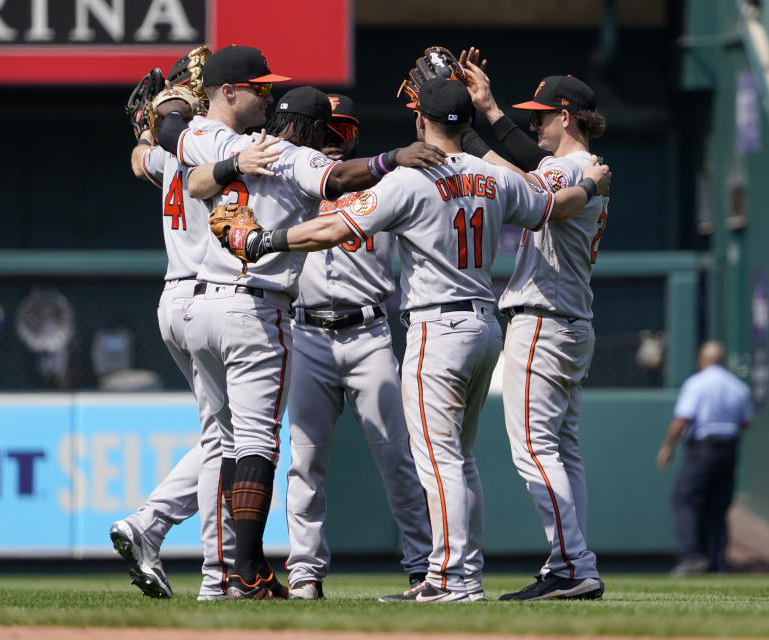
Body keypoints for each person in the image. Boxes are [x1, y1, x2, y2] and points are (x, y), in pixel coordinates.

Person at [226, 78, 611, 603]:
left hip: (437, 326)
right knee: (462, 456)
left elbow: (330, 231)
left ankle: (451, 579)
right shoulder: (494, 177)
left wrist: (262, 240)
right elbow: (552, 205)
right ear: (468, 124)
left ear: (420, 123)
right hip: (485, 326)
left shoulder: (411, 178)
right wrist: (589, 186)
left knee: (439, 459)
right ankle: (461, 574)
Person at [171, 56, 447, 599]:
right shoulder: (297, 157)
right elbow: (341, 176)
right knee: (269, 449)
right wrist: (394, 158)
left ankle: (227, 573)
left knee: (228, 443)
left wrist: (194, 136)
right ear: (309, 128)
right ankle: (265, 572)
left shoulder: (225, 142)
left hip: (218, 306)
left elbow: (182, 153)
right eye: (326, 129)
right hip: (274, 315)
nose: (331, 139)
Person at [113, 57, 278, 601]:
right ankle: (219, 572)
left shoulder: (173, 147)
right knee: (226, 443)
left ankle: (155, 527)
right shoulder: (210, 139)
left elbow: (143, 160)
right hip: (212, 290)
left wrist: (145, 130)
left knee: (222, 439)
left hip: (176, 296)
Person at [459, 54, 607, 601]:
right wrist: (481, 114)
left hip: (543, 320)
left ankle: (571, 564)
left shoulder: (574, 172)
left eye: (543, 116)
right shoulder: (582, 169)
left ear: (566, 116)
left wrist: (470, 124)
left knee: (534, 450)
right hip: (570, 320)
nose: (535, 125)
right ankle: (572, 560)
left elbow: (518, 175)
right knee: (562, 449)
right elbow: (518, 167)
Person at [284, 94, 432, 600]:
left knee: (399, 460)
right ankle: (304, 573)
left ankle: (422, 568)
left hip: (368, 333)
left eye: (339, 128)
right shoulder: (290, 180)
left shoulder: (386, 183)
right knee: (305, 462)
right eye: (323, 128)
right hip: (306, 333)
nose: (330, 137)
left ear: (352, 134)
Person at [656, 341, 753, 576]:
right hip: (729, 448)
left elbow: (683, 418)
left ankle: (692, 557)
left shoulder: (697, 384)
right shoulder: (737, 386)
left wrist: (668, 446)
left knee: (685, 499)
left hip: (703, 448)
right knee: (719, 505)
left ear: (702, 359)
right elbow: (745, 422)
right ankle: (719, 561)